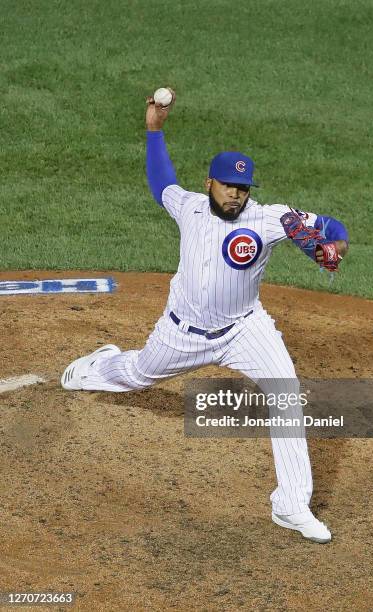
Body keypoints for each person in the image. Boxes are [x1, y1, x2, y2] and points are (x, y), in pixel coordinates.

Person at [61, 89, 349, 544]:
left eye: (243, 187)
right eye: (228, 185)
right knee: (138, 373)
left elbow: (330, 227)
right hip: (182, 332)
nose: (236, 194)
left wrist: (337, 242)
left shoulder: (269, 218)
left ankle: (291, 504)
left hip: (244, 329)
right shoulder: (189, 207)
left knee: (286, 393)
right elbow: (162, 183)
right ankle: (98, 366)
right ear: (209, 182)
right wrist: (154, 131)